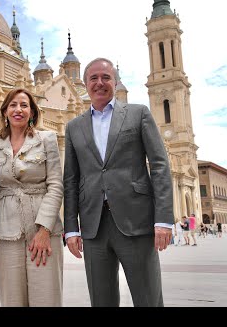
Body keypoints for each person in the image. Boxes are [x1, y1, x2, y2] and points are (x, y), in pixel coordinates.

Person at [63, 57, 174, 307]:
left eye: (106, 77)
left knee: (148, 297)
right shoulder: (74, 126)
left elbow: (159, 165)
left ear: (115, 82)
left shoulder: (138, 114)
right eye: (94, 78)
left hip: (136, 222)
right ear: (85, 82)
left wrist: (164, 219)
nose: (100, 83)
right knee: (101, 300)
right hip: (93, 227)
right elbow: (70, 179)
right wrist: (71, 227)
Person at [0, 88, 64, 306]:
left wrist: (44, 230)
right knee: (11, 298)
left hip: (43, 229)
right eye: (13, 105)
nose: (18, 110)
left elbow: (56, 185)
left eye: (24, 105)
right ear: (5, 111)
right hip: (7, 230)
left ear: (32, 112)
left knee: (46, 296)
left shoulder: (47, 139)